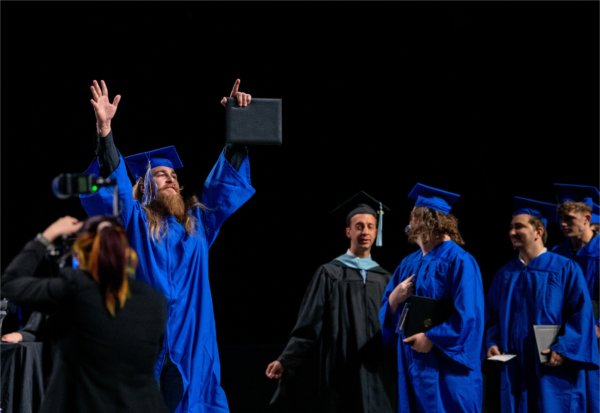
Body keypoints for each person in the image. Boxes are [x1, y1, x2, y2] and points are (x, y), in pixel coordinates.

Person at [79, 79, 256, 413]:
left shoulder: (198, 225)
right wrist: (105, 132)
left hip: (193, 340)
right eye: (161, 175)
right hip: (144, 342)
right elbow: (113, 183)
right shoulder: (133, 222)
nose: (172, 178)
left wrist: (240, 123)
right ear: (144, 185)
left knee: (197, 403)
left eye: (174, 175)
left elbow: (222, 185)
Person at [1, 215, 168, 413]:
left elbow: (10, 284)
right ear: (128, 255)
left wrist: (47, 236)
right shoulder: (155, 302)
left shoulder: (74, 289)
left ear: (79, 257)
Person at [265, 191, 397, 413]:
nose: (365, 231)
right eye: (359, 226)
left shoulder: (386, 278)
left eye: (370, 226)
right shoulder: (330, 273)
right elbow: (308, 324)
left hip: (377, 368)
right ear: (348, 231)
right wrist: (285, 359)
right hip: (342, 369)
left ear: (376, 231)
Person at [485, 196, 599, 412]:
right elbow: (492, 315)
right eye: (510, 227)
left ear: (538, 231)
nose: (512, 232)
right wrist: (492, 342)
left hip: (554, 368)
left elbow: (581, 314)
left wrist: (563, 349)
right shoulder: (505, 274)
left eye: (519, 227)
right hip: (516, 367)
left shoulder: (565, 268)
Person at [379, 183, 484, 413]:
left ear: (428, 220)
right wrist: (394, 299)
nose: (410, 224)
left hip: (445, 368)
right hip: (412, 366)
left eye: (414, 218)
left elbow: (469, 316)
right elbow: (385, 312)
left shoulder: (460, 261)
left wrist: (432, 338)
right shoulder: (409, 263)